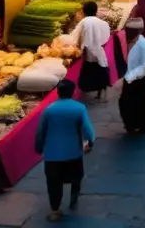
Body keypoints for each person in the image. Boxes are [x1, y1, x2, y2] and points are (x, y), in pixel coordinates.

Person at [35, 79, 95, 223]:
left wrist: (38, 147)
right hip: (73, 152)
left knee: (53, 182)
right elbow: (87, 130)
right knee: (76, 176)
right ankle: (74, 198)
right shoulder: (79, 108)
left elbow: (40, 132)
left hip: (52, 154)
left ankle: (55, 210)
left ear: (58, 92)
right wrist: (90, 142)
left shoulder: (49, 110)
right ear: (73, 92)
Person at [119, 18, 145, 134]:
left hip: (138, 79)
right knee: (126, 102)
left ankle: (142, 125)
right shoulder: (128, 42)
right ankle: (131, 125)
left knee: (141, 102)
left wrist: (130, 77)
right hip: (129, 77)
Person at [73, 1, 110, 99]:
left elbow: (75, 37)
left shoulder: (84, 22)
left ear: (84, 11)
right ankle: (101, 94)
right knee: (101, 72)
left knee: (88, 74)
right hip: (100, 52)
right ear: (96, 10)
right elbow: (106, 38)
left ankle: (84, 93)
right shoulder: (104, 23)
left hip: (88, 53)